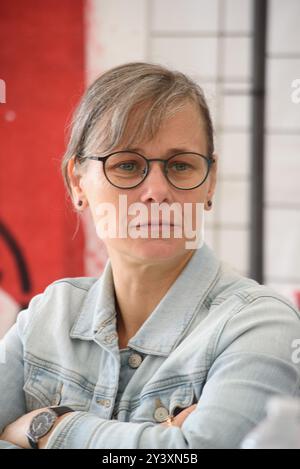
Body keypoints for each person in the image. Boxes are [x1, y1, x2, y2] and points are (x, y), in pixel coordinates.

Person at [0, 62, 300, 450]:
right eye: (126, 165)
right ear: (78, 183)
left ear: (209, 182)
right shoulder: (48, 315)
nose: (157, 191)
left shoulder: (263, 325)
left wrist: (48, 429)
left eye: (180, 165)